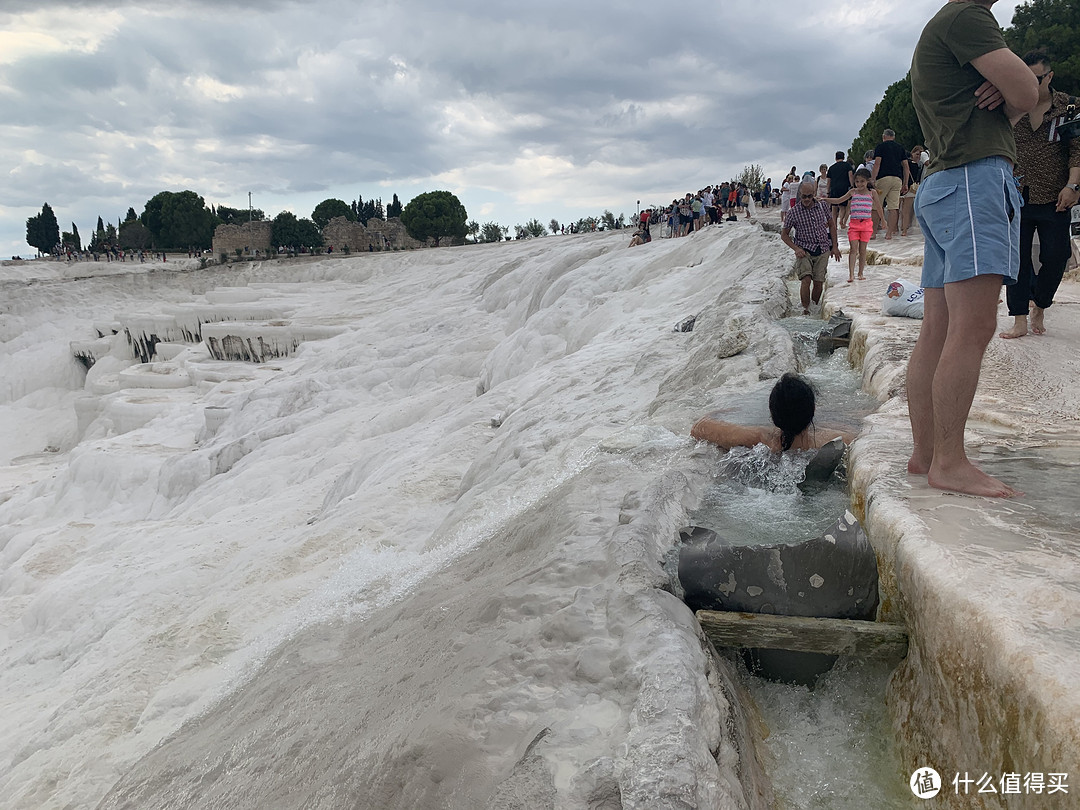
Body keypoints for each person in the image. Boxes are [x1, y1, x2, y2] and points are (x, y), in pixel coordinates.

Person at [907, 0, 1038, 497]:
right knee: (975, 325)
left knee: (937, 329)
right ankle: (950, 463)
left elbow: (1017, 93)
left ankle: (926, 454)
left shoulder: (940, 26)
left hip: (943, 185)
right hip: (972, 180)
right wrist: (1013, 91)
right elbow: (1027, 91)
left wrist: (1007, 91)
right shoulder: (967, 18)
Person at [1000, 50, 1080, 339]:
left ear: (1049, 76)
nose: (1030, 85)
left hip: (1055, 194)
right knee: (1016, 259)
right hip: (1015, 194)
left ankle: (1041, 303)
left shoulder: (1069, 107)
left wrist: (1073, 186)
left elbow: (1077, 150)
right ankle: (1019, 318)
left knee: (1057, 256)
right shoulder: (1009, 107)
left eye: (1036, 79)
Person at [691, 373, 855, 452]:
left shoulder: (761, 438)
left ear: (772, 413)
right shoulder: (833, 441)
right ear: (813, 410)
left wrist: (722, 412)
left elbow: (698, 429)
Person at [781, 180, 842, 314]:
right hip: (804, 250)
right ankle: (805, 309)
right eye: (804, 196)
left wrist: (835, 246)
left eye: (810, 196)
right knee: (806, 279)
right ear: (799, 195)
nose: (807, 199)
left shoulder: (823, 206)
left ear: (814, 194)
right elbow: (784, 235)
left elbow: (832, 225)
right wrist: (796, 249)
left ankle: (814, 307)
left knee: (819, 282)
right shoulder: (793, 212)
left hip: (823, 248)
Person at [828, 168, 884, 282]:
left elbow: (878, 207)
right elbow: (839, 200)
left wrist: (883, 220)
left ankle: (860, 273)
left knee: (863, 250)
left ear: (868, 181)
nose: (859, 184)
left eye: (862, 181)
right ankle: (851, 274)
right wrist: (825, 199)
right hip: (854, 225)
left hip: (866, 225)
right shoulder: (853, 192)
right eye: (857, 181)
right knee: (853, 249)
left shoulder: (872, 193)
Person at [870, 129, 912, 239]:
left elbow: (877, 164)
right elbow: (906, 167)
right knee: (893, 207)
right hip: (897, 179)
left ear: (884, 136)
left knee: (876, 206)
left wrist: (873, 179)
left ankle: (873, 233)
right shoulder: (900, 148)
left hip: (883, 178)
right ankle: (889, 234)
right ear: (893, 137)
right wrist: (905, 183)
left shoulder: (880, 147)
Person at [900, 145, 926, 236]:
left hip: (907, 187)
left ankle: (902, 228)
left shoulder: (908, 164)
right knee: (907, 210)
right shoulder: (917, 165)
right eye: (917, 154)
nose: (918, 156)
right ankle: (904, 230)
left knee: (904, 210)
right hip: (911, 188)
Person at [827, 151, 854, 227]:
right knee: (843, 207)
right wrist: (852, 186)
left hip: (834, 188)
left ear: (835, 158)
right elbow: (850, 175)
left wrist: (828, 191)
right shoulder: (847, 166)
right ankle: (841, 220)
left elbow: (828, 181)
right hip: (844, 188)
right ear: (844, 157)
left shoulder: (831, 168)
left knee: (834, 207)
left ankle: (834, 226)